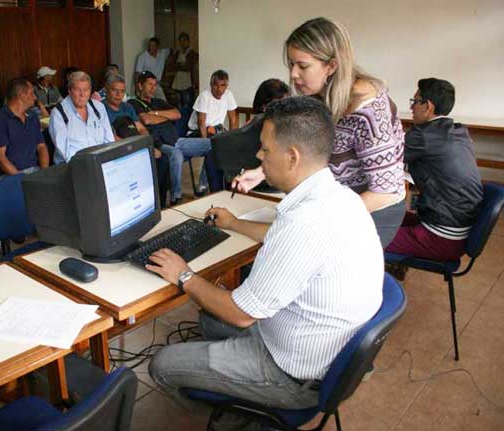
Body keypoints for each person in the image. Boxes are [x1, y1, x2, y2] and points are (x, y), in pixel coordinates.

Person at [147, 97, 383, 423]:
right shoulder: (341, 198)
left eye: (265, 149)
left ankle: (220, 416)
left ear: (292, 157)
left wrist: (185, 275)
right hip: (319, 346)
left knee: (161, 363)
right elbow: (284, 238)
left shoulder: (303, 224)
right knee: (207, 321)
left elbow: (241, 314)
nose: (259, 156)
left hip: (290, 375)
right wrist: (233, 224)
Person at [233, 17, 406, 248]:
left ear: (331, 66)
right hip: (337, 200)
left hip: (372, 210)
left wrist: (320, 217)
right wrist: (261, 173)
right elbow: (308, 149)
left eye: (302, 66)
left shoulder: (369, 110)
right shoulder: (320, 96)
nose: (293, 74)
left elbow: (386, 192)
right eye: (291, 65)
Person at [386, 78, 483, 262]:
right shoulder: (458, 131)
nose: (412, 107)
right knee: (388, 215)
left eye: (415, 102)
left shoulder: (424, 135)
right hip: (458, 227)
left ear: (428, 106)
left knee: (363, 239)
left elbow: (380, 156)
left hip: (441, 237)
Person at [129, 72, 221, 205]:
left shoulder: (158, 102)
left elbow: (177, 114)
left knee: (213, 144)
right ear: (140, 85)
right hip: (161, 143)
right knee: (176, 154)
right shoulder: (133, 103)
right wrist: (165, 117)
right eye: (149, 84)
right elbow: (146, 120)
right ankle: (175, 196)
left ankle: (204, 185)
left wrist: (155, 113)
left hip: (177, 140)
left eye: (155, 85)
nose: (153, 88)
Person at [104, 74, 170, 206]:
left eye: (122, 91)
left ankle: (159, 204)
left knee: (163, 160)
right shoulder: (102, 108)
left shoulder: (127, 107)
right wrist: (132, 148)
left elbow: (141, 128)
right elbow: (110, 136)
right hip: (120, 149)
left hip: (137, 145)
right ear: (106, 90)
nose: (118, 94)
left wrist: (147, 145)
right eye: (114, 90)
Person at [0, 77, 49, 180]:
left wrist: (45, 172)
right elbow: (0, 158)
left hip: (33, 170)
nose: (35, 97)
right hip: (7, 175)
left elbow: (41, 146)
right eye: (32, 93)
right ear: (22, 96)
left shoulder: (32, 116)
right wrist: (21, 180)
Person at [188, 69, 238, 194]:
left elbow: (233, 119)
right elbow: (201, 123)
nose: (219, 89)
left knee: (231, 145)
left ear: (227, 86)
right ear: (211, 85)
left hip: (217, 130)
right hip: (197, 131)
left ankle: (227, 181)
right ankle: (204, 183)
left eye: (223, 85)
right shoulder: (204, 96)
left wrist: (233, 137)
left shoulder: (228, 95)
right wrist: (205, 143)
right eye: (216, 85)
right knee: (214, 147)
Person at [48, 71, 114, 163]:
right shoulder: (58, 113)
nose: (82, 94)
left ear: (90, 90)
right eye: (78, 90)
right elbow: (66, 153)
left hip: (99, 161)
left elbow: (109, 141)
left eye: (86, 90)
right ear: (69, 91)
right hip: (72, 165)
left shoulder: (99, 107)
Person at [165, 32, 199, 109]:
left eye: (184, 41)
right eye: (181, 41)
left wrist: (178, 65)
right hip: (177, 83)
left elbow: (188, 67)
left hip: (188, 83)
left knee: (188, 104)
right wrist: (180, 65)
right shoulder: (177, 53)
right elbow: (171, 66)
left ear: (188, 41)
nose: (182, 43)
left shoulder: (193, 53)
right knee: (178, 104)